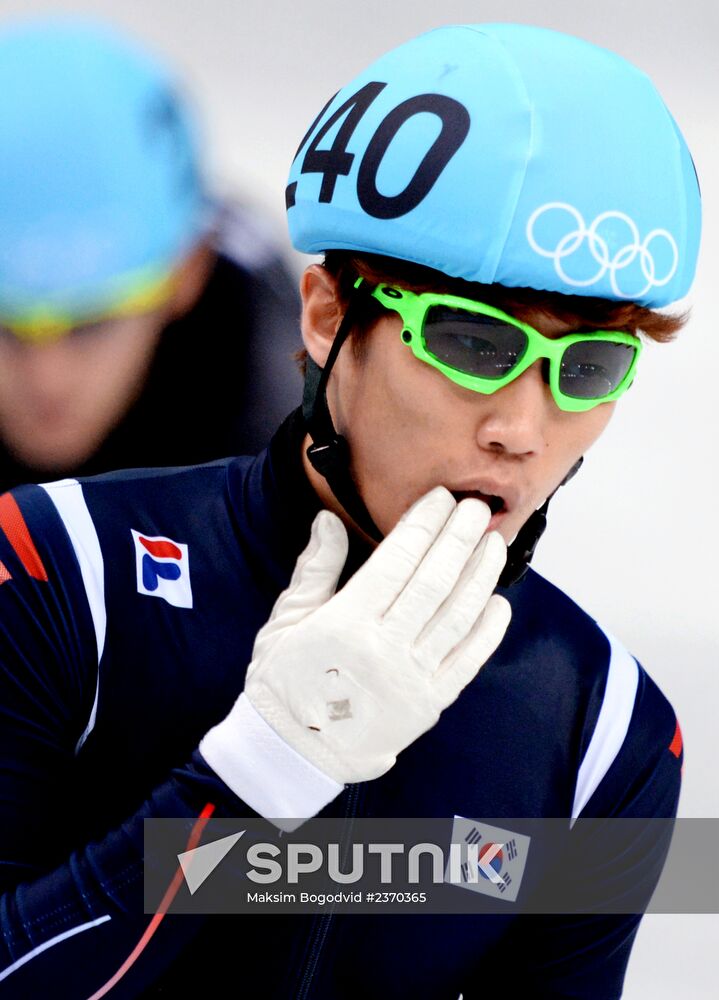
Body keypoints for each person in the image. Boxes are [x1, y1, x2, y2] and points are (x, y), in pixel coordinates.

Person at [0, 22, 700, 999]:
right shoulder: (50, 571)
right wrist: (254, 780)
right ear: (328, 316)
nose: (519, 428)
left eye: (586, 369)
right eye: (471, 342)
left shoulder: (602, 731)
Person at [0, 16, 302, 493]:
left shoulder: (266, 390)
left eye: (92, 323)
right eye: (6, 328)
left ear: (186, 273)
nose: (47, 381)